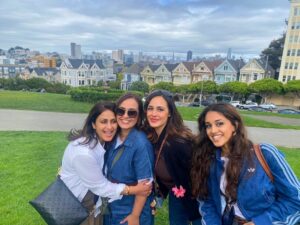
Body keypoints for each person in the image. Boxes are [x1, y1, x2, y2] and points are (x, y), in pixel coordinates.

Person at [191, 103, 300, 225]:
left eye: (219, 123)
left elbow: (295, 199)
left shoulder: (264, 153)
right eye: (208, 126)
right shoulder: (208, 160)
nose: (213, 130)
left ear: (235, 125)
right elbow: (207, 201)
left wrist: (259, 222)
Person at [59, 102, 152, 225]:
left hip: (94, 204)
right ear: (93, 124)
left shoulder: (104, 142)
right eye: (103, 122)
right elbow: (101, 187)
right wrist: (134, 189)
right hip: (78, 205)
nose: (110, 127)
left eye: (113, 121)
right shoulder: (83, 153)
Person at [143, 90, 201, 225]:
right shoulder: (153, 137)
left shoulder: (178, 143)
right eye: (150, 108)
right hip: (176, 192)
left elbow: (200, 173)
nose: (153, 113)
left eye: (160, 109)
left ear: (169, 113)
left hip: (197, 197)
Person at [103, 93, 154, 225]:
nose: (125, 116)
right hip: (110, 208)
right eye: (121, 111)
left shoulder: (141, 144)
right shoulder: (112, 137)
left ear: (138, 117)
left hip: (128, 213)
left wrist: (135, 216)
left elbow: (145, 187)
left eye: (132, 113)